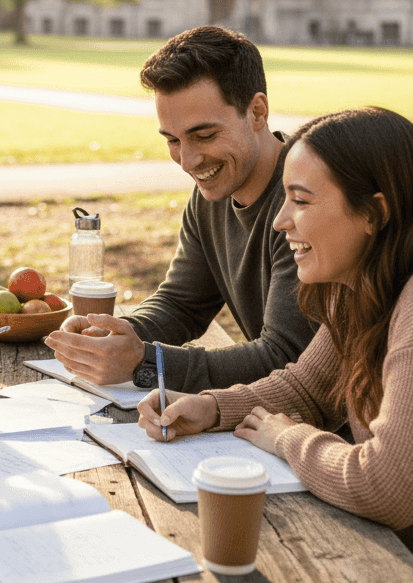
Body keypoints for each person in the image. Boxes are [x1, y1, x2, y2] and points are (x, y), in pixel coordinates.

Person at [138, 107, 413, 583]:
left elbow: (392, 488)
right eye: (284, 196)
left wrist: (289, 439)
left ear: (373, 212)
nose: (280, 220)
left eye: (302, 201)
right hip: (401, 558)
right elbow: (305, 389)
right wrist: (213, 407)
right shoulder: (365, 282)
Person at [45, 25, 316, 391]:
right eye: (172, 140)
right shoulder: (214, 194)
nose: (188, 161)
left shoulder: (309, 201)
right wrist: (113, 335)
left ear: (257, 112)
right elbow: (182, 304)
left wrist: (147, 361)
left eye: (204, 136)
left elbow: (286, 357)